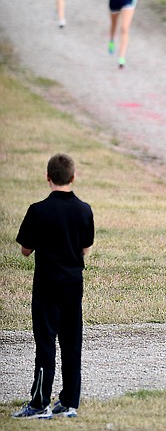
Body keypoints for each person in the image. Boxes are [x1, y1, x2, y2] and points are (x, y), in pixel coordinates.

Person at [12, 153, 94, 420]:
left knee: (45, 344)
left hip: (46, 285)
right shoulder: (84, 209)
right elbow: (85, 249)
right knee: (71, 344)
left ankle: (39, 403)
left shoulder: (38, 210)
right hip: (73, 286)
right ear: (73, 177)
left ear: (48, 178)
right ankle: (70, 401)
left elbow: (25, 250)